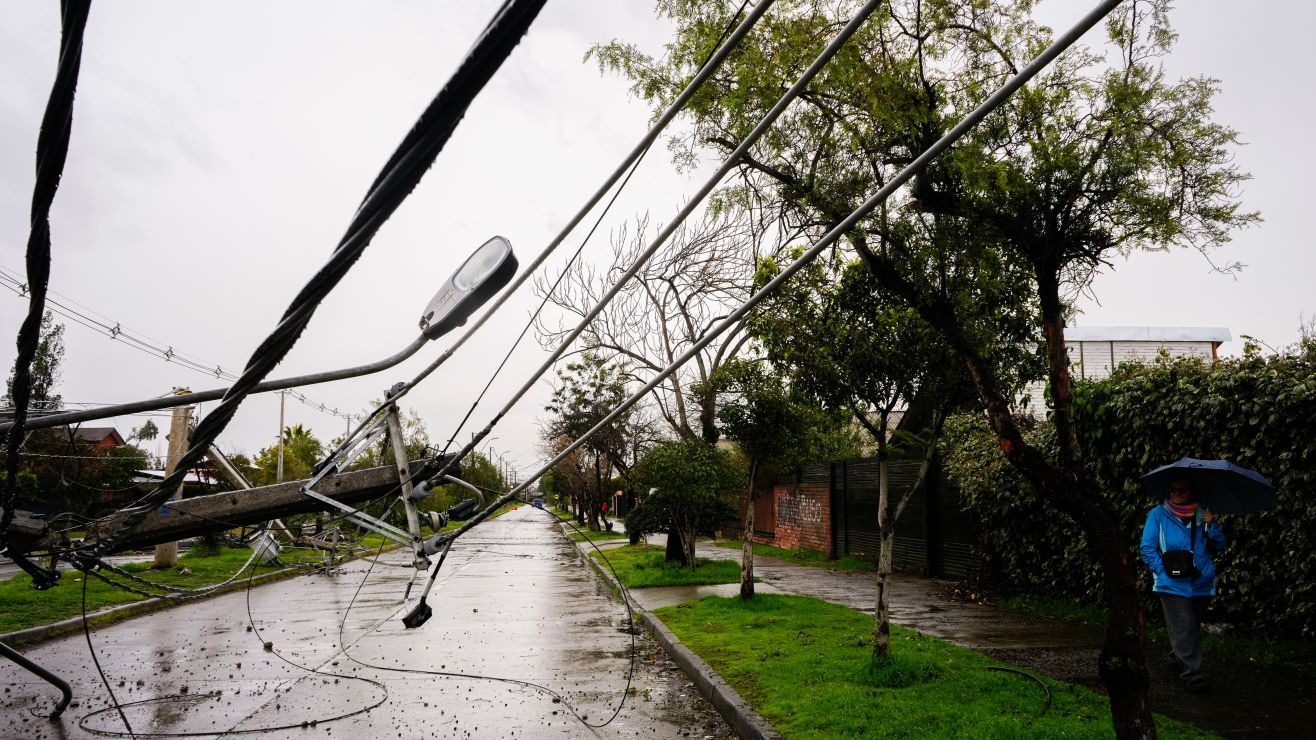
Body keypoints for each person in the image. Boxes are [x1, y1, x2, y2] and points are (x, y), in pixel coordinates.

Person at [1139, 477, 1225, 693]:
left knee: (1191, 627)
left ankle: (1177, 657)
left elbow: (1220, 545)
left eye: (1182, 490)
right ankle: (1193, 676)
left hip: (1201, 581)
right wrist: (1162, 571)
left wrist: (1211, 525)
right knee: (1185, 627)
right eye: (1173, 490)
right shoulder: (1157, 515)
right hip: (1172, 584)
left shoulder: (1203, 514)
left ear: (1193, 492)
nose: (1176, 493)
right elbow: (1147, 547)